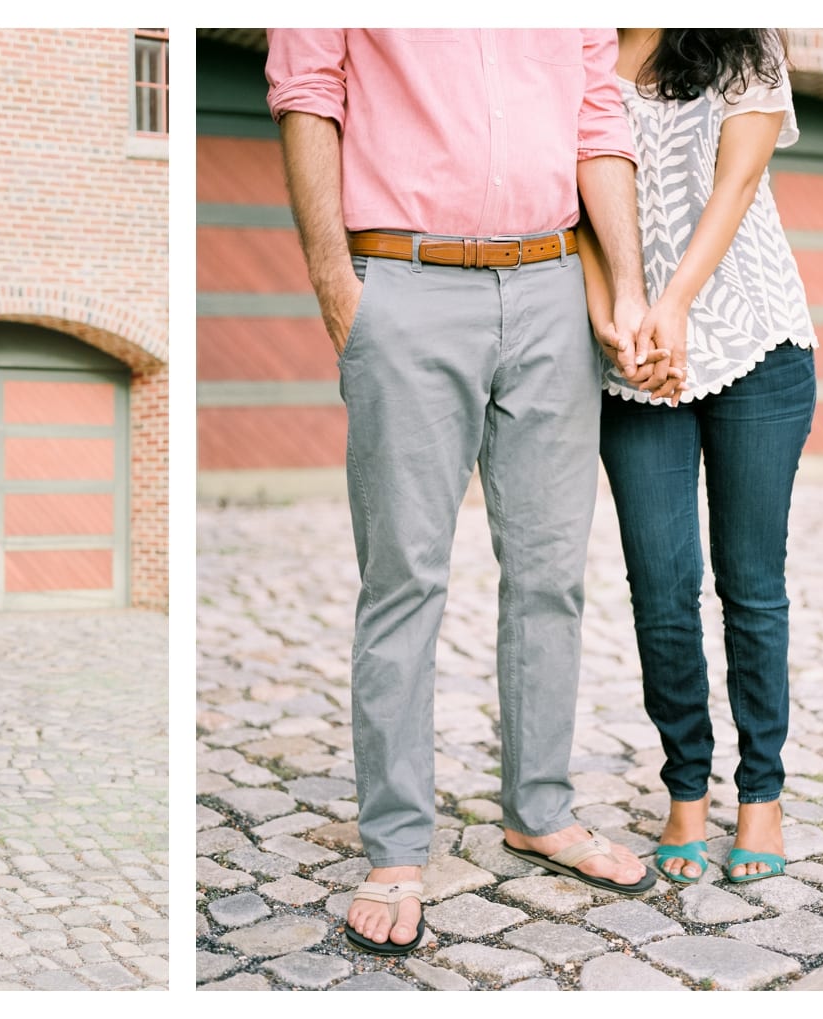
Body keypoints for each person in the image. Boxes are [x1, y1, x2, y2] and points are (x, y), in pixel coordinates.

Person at [265, 29, 658, 956]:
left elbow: (598, 120)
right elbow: (308, 94)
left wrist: (630, 285)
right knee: (405, 578)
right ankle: (397, 848)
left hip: (554, 284)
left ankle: (541, 808)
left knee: (552, 573)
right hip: (401, 280)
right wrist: (335, 281)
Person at [582, 29, 817, 885]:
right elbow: (571, 209)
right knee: (662, 587)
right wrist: (614, 317)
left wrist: (674, 301)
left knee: (751, 584)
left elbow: (738, 182)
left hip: (756, 340)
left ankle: (762, 792)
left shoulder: (742, 40)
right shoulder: (578, 47)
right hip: (635, 356)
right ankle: (686, 786)